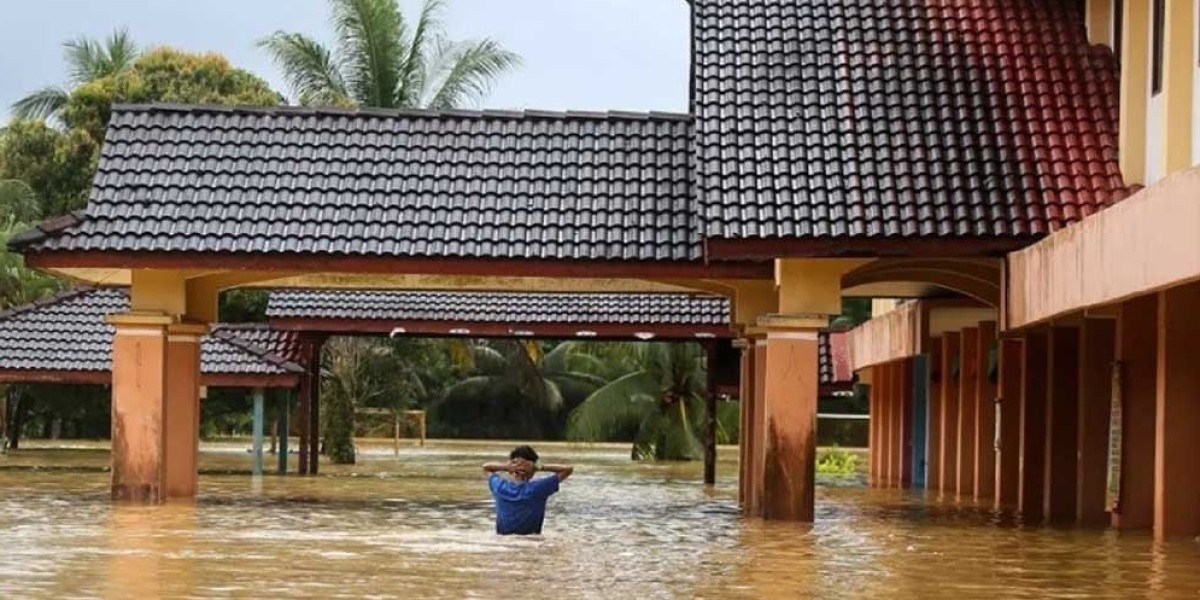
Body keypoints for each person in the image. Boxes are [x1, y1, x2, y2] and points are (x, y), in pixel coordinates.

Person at [482, 445, 573, 535]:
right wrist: (539, 466)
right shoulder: (539, 489)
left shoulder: (500, 487)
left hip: (502, 542)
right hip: (532, 542)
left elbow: (486, 467)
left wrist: (507, 466)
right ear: (533, 469)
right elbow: (567, 469)